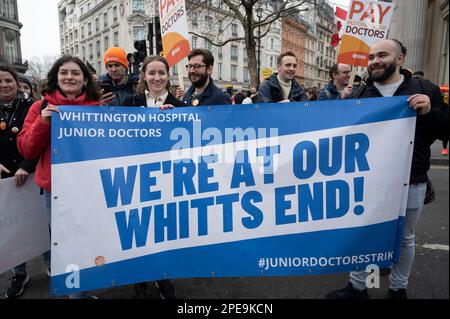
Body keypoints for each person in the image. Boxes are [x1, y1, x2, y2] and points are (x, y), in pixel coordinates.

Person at [326, 39, 449, 299]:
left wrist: (429, 111)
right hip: (366, 181)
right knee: (362, 234)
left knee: (404, 238)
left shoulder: (425, 88)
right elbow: (339, 135)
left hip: (411, 180)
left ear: (401, 59)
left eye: (382, 55)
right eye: (371, 57)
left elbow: (447, 128)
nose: (375, 61)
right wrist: (342, 104)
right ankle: (358, 286)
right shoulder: (360, 93)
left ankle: (397, 289)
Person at [17, 55, 101, 299]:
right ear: (56, 77)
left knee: (88, 245)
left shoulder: (97, 110)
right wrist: (43, 123)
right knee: (67, 247)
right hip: (56, 193)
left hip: (90, 190)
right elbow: (26, 149)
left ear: (85, 80)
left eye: (76, 73)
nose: (69, 77)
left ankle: (81, 292)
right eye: (64, 72)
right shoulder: (39, 107)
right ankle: (76, 295)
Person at [122, 55, 184, 299]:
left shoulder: (180, 107)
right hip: (136, 178)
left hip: (168, 179)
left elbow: (192, 139)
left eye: (162, 73)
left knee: (163, 231)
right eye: (152, 73)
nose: (157, 78)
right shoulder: (129, 103)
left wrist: (177, 121)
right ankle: (139, 277)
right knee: (138, 230)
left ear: (168, 76)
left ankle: (163, 276)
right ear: (144, 76)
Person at [0, 65, 40, 299]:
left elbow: (39, 138)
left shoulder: (30, 107)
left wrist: (26, 165)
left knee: (40, 224)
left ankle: (51, 265)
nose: (5, 85)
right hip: (4, 180)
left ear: (16, 83)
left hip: (31, 173)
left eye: (9, 80)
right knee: (12, 227)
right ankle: (19, 273)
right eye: (0, 81)